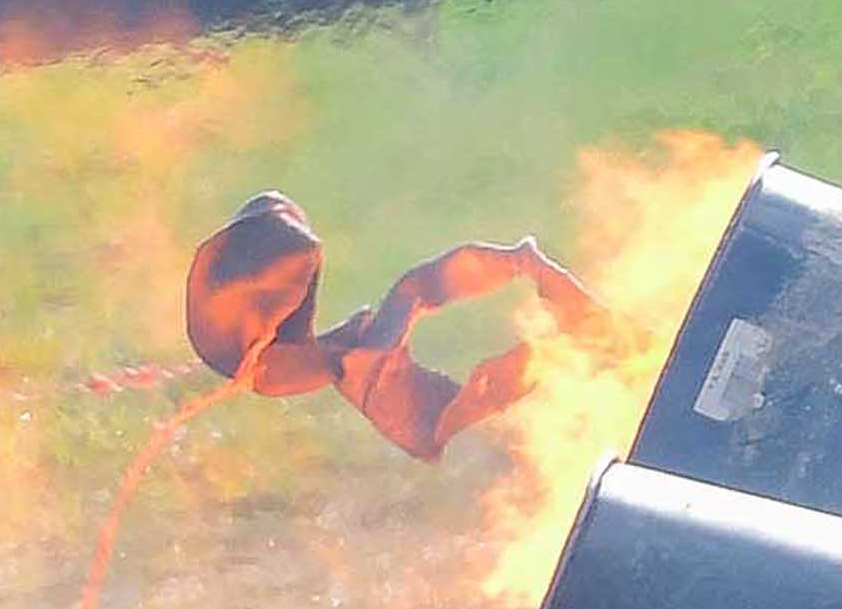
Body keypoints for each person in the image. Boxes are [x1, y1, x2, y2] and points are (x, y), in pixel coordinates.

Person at [184, 191, 605, 459]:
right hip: (434, 421)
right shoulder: (333, 364)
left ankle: (553, 309)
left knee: (421, 299)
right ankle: (563, 329)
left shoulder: (339, 358)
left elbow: (419, 288)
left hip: (406, 399)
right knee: (506, 376)